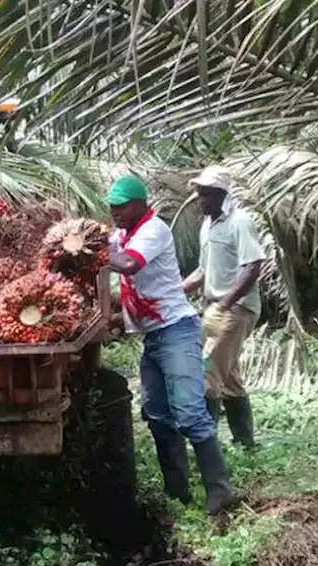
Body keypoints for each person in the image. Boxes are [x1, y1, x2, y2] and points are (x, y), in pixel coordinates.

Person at [104, 175, 239, 515]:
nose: (115, 214)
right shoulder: (123, 235)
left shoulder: (154, 231)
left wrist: (91, 246)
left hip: (176, 330)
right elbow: (114, 254)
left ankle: (221, 492)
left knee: (190, 413)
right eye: (112, 208)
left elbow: (128, 264)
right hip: (154, 336)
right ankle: (177, 493)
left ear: (139, 205)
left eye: (121, 208)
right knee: (157, 414)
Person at [182, 167, 265, 450]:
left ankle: (205, 447)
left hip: (235, 308)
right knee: (229, 378)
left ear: (221, 194)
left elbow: (253, 266)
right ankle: (246, 444)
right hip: (218, 307)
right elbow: (204, 271)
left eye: (205, 194)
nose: (199, 199)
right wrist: (176, 291)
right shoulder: (208, 225)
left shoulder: (239, 222)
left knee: (207, 371)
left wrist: (225, 302)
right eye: (198, 193)